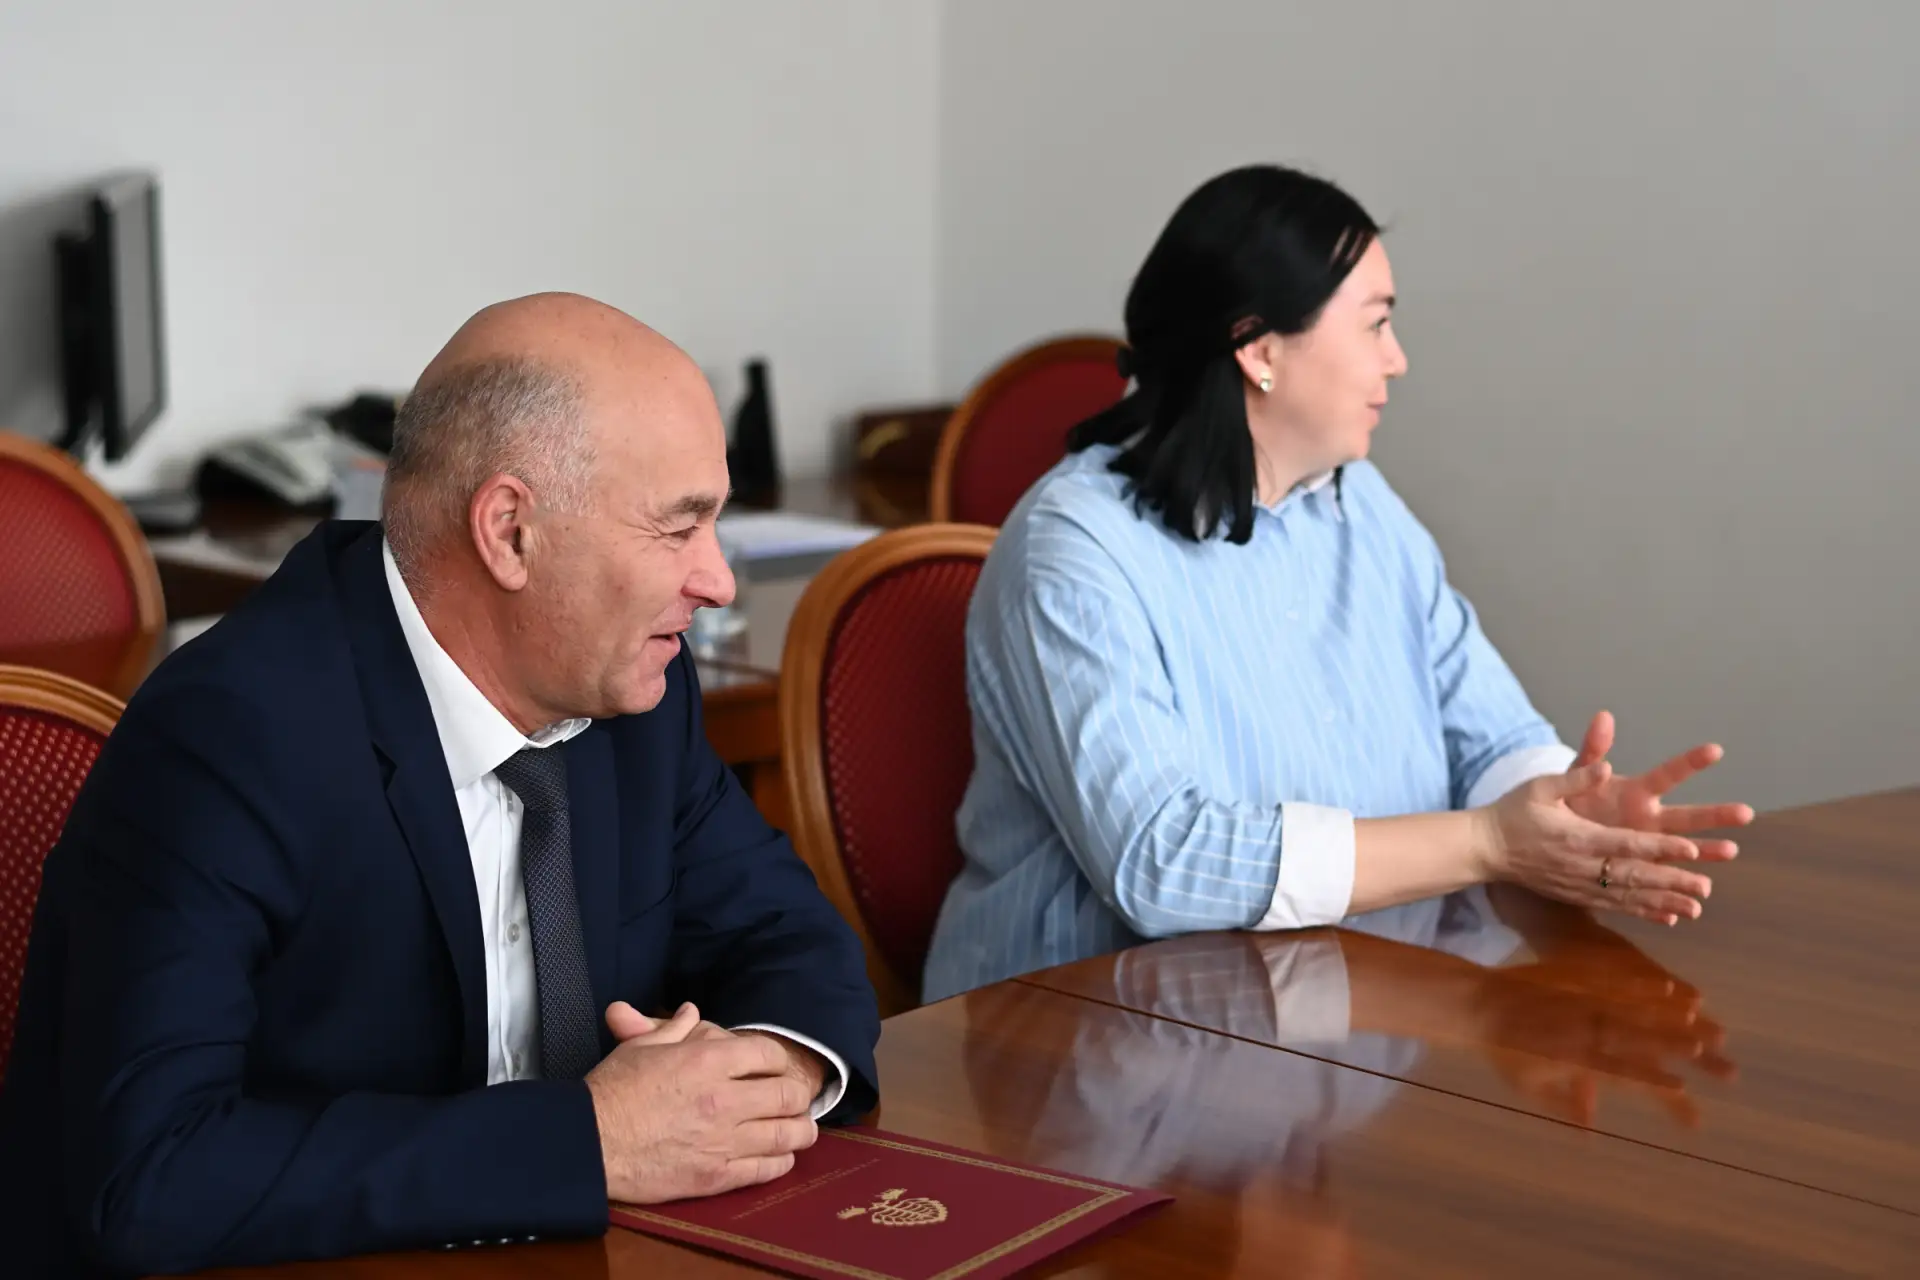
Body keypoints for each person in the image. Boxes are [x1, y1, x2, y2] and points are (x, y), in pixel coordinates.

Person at [0, 294, 881, 1277]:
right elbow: (150, 1176)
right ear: (510, 531)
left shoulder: (638, 693)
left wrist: (764, 1077)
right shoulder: (229, 739)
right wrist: (588, 1141)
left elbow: (794, 943)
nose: (718, 581)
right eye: (679, 529)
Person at [923, 165, 1753, 1001]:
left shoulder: (1361, 505)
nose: (1398, 359)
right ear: (1259, 349)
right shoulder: (1074, 550)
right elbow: (1162, 861)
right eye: (1376, 324)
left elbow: (1489, 737)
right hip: (1088, 1031)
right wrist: (1491, 843)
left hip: (1352, 1008)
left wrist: (1567, 811)